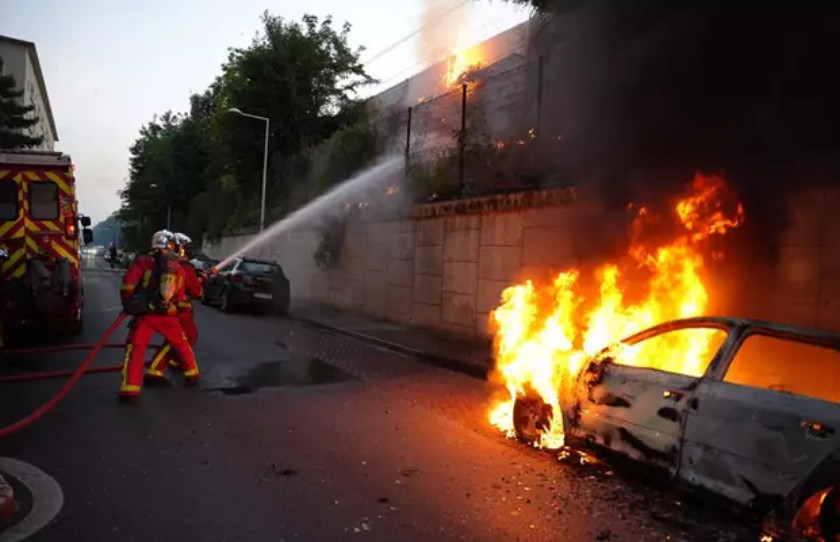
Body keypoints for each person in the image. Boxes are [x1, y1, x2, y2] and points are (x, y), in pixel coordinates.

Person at [118, 230, 199, 403]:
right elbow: (185, 291)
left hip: (146, 315)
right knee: (181, 343)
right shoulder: (178, 267)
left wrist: (130, 302)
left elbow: (128, 285)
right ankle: (192, 374)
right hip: (169, 315)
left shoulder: (143, 262)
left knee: (136, 348)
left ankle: (130, 390)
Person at [145, 232, 202, 383]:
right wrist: (201, 281)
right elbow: (196, 292)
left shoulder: (168, 264)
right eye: (186, 247)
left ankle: (175, 362)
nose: (188, 250)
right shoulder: (186, 267)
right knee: (181, 338)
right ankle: (155, 369)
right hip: (181, 310)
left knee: (181, 338)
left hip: (172, 308)